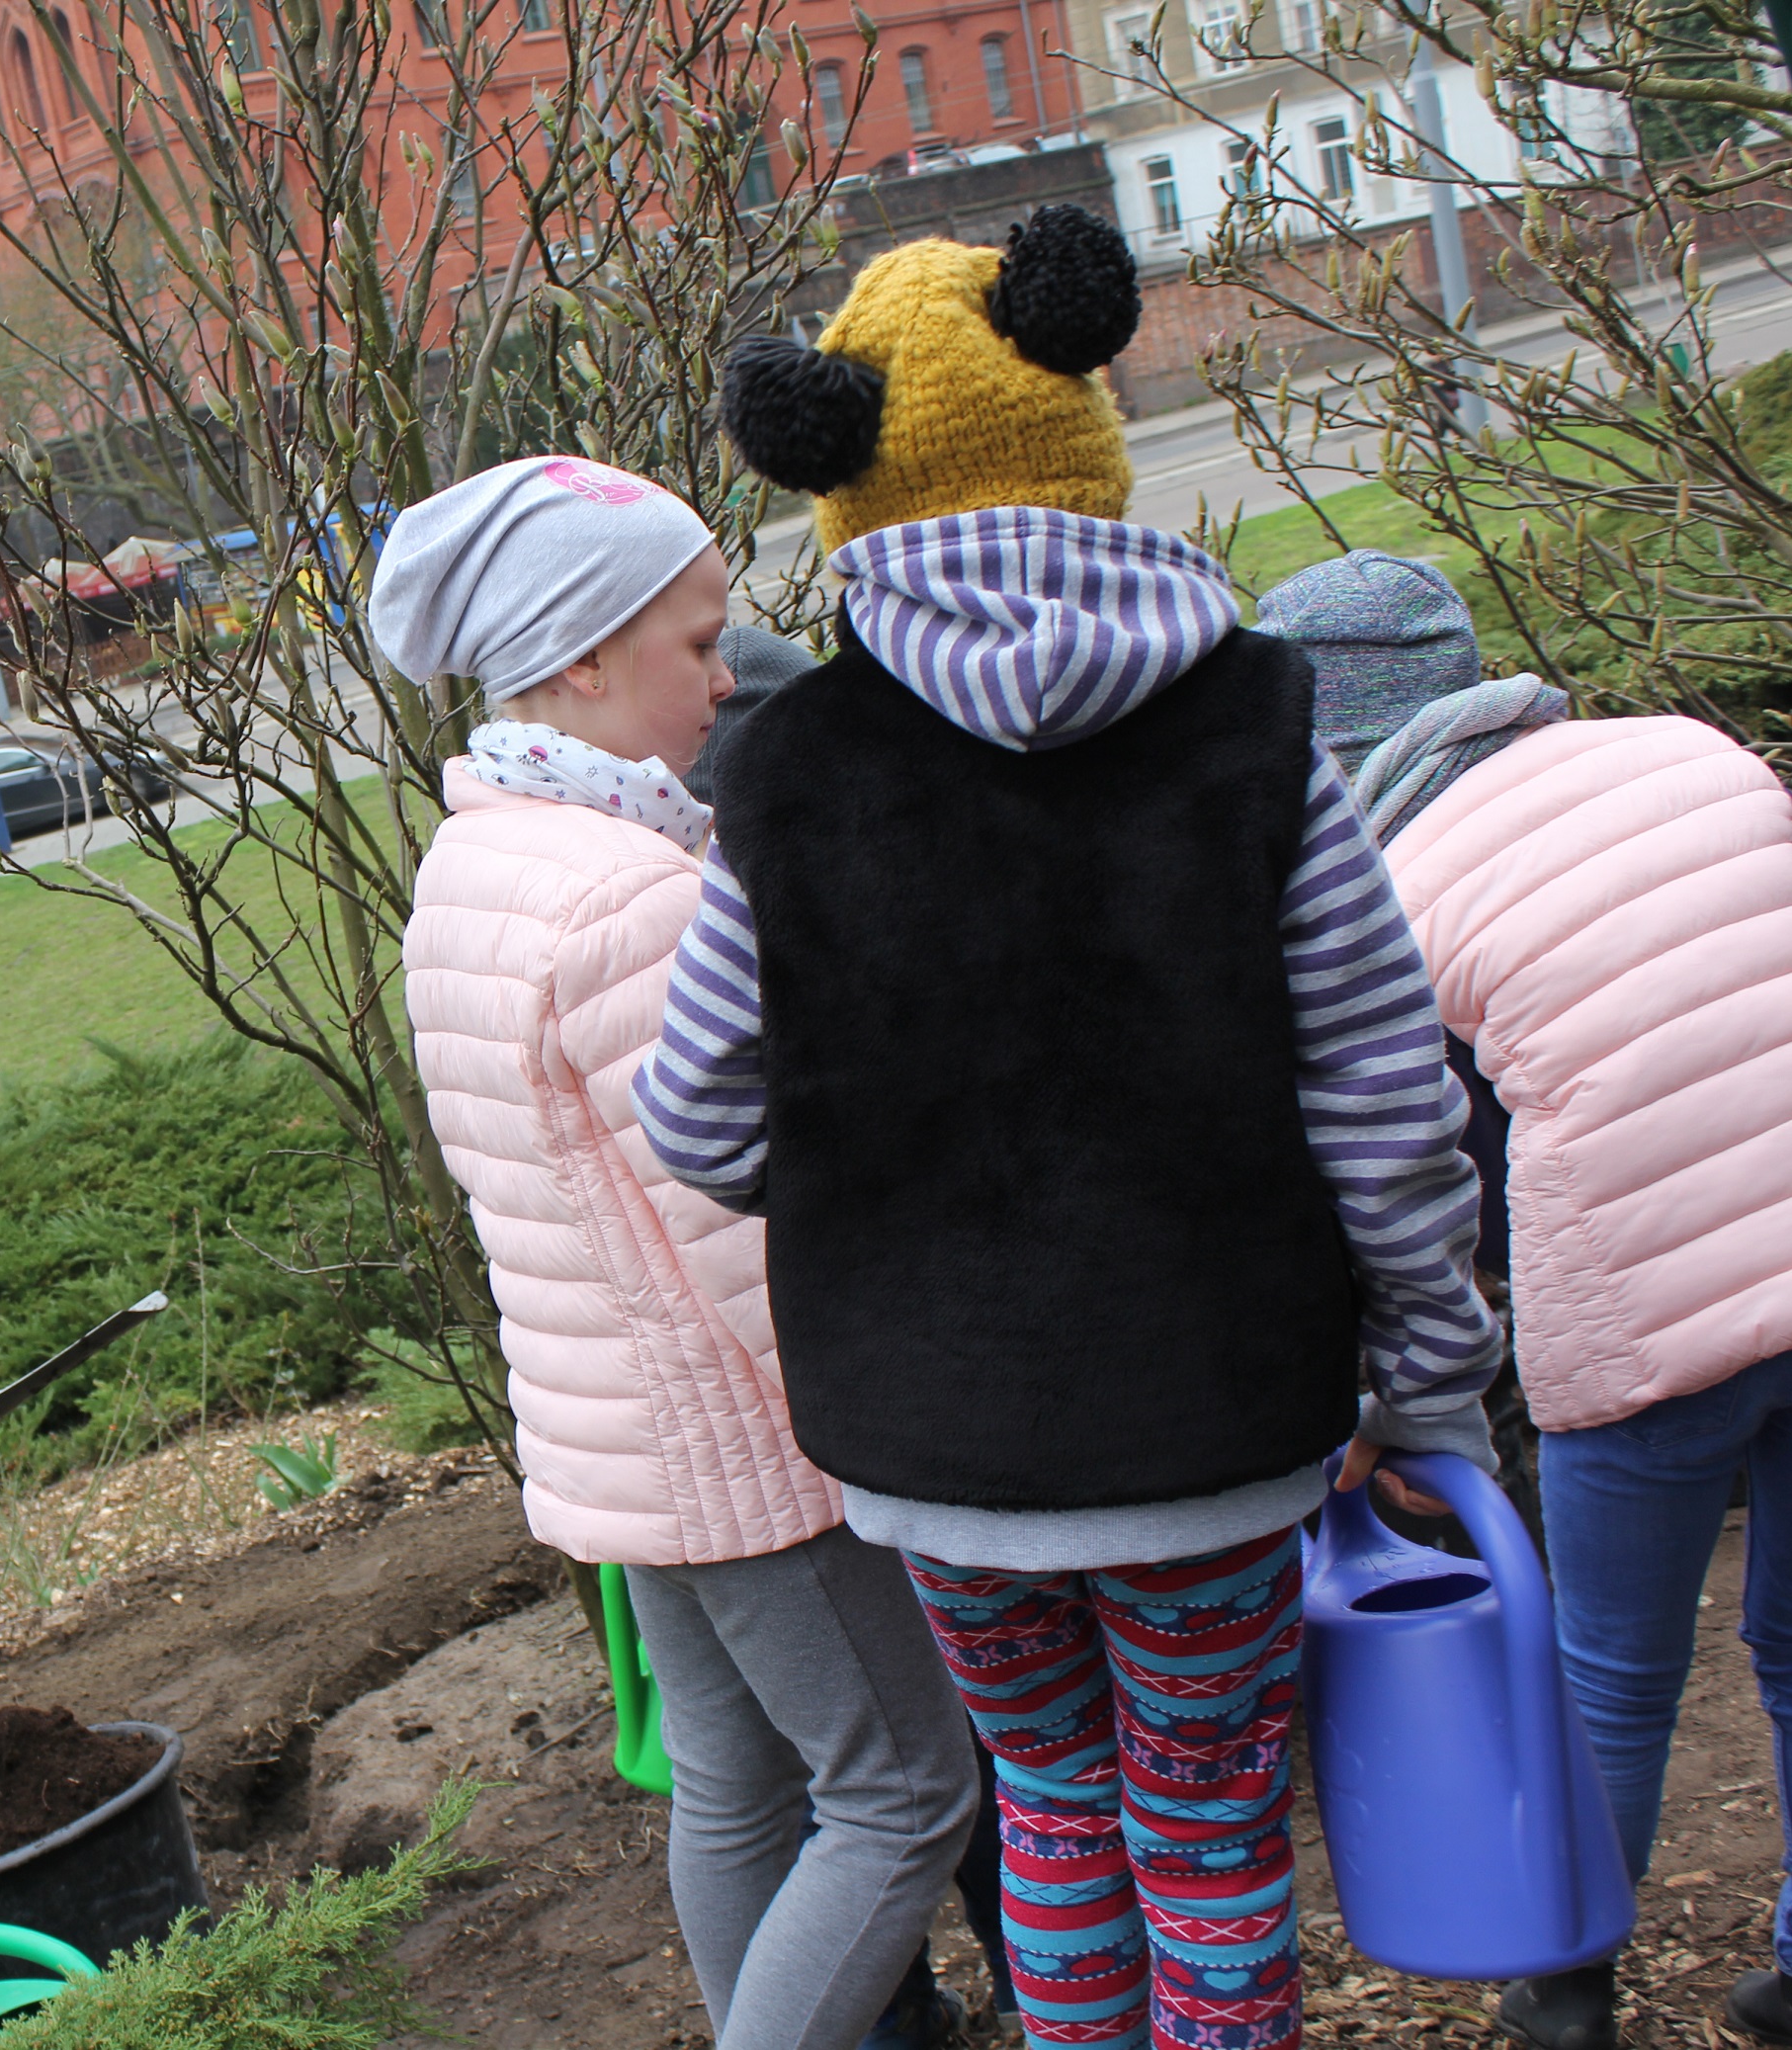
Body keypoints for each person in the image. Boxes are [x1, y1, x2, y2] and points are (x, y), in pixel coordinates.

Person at [645, 207, 1503, 2050]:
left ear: (837, 474)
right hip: (1220, 1414)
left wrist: (882, 1181)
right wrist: (1431, 1380)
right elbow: (1385, 1095)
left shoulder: (783, 775)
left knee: (1046, 1805)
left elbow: (694, 1109)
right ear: (1087, 415)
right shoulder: (1259, 726)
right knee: (1206, 1822)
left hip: (930, 1441)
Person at [380, 456, 981, 2050]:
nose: (728, 676)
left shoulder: (473, 864)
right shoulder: (628, 896)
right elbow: (739, 1240)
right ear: (579, 658)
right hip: (740, 1452)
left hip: (614, 1443)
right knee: (909, 1785)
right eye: (697, 642)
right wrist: (885, 1416)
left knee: (734, 1771)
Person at [1262, 551, 1792, 2050]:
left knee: (1604, 1667)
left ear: (1329, 747)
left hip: (1643, 1320)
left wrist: (1374, 1404)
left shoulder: (1377, 892)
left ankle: (1563, 1994)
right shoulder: (1688, 749)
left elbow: (1419, 1184)